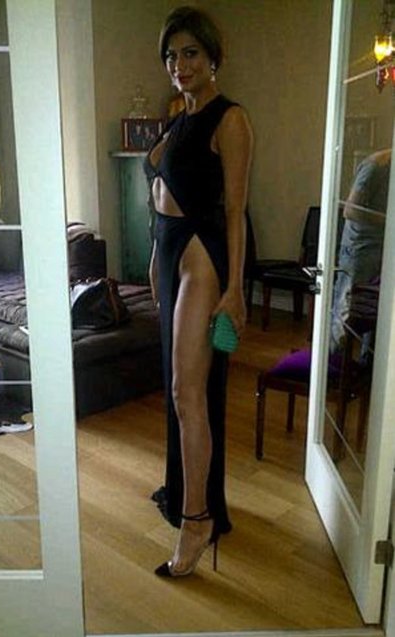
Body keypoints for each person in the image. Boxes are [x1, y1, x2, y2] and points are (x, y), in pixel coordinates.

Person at [145, 6, 253, 578]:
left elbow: (235, 211)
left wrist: (235, 289)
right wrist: (155, 257)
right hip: (171, 259)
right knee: (179, 392)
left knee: (189, 395)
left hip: (202, 262)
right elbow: (159, 192)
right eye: (171, 55)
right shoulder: (177, 118)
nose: (179, 64)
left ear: (213, 56)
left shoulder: (229, 119)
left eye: (190, 53)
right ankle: (186, 494)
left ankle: (197, 521)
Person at [330, 149, 391, 356]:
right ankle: (332, 363)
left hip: (383, 251)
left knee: (376, 312)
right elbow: (351, 210)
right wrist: (389, 221)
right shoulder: (376, 166)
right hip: (359, 252)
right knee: (345, 314)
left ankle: (368, 364)